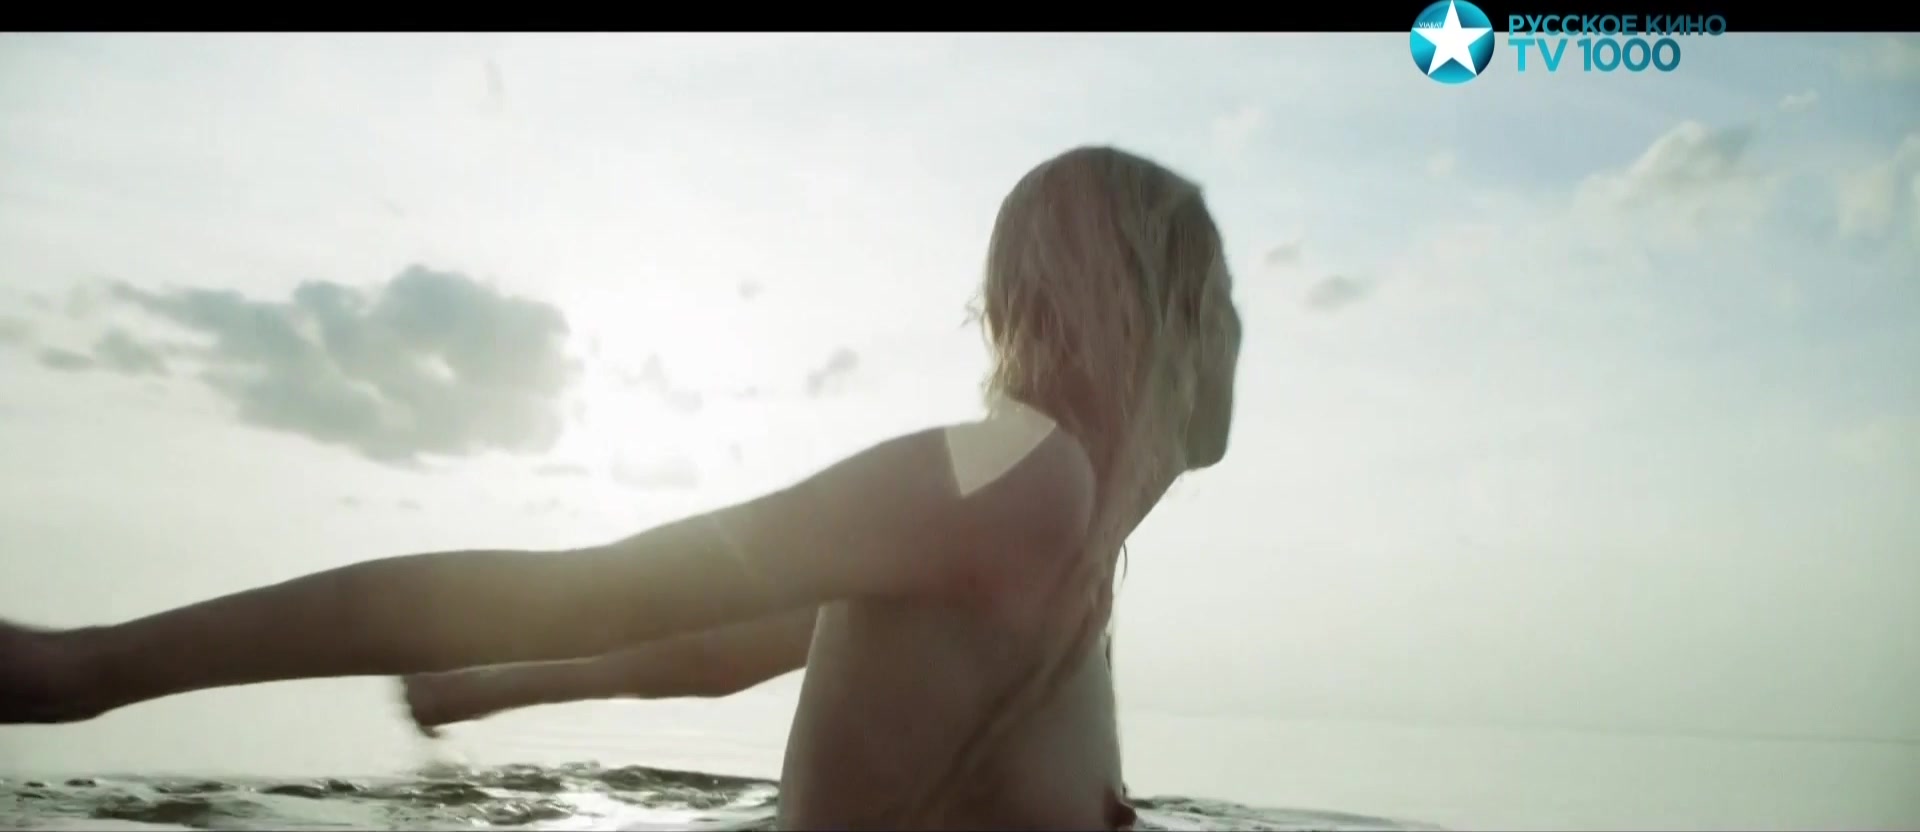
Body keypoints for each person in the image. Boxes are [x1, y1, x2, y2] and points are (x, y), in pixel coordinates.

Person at [0, 145, 1243, 831]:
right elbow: (603, 588)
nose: (1242, 327)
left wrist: (498, 688)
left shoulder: (1056, 545)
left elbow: (720, 650)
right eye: (1220, 292)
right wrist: (86, 667)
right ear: (1156, 315)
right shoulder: (1025, 487)